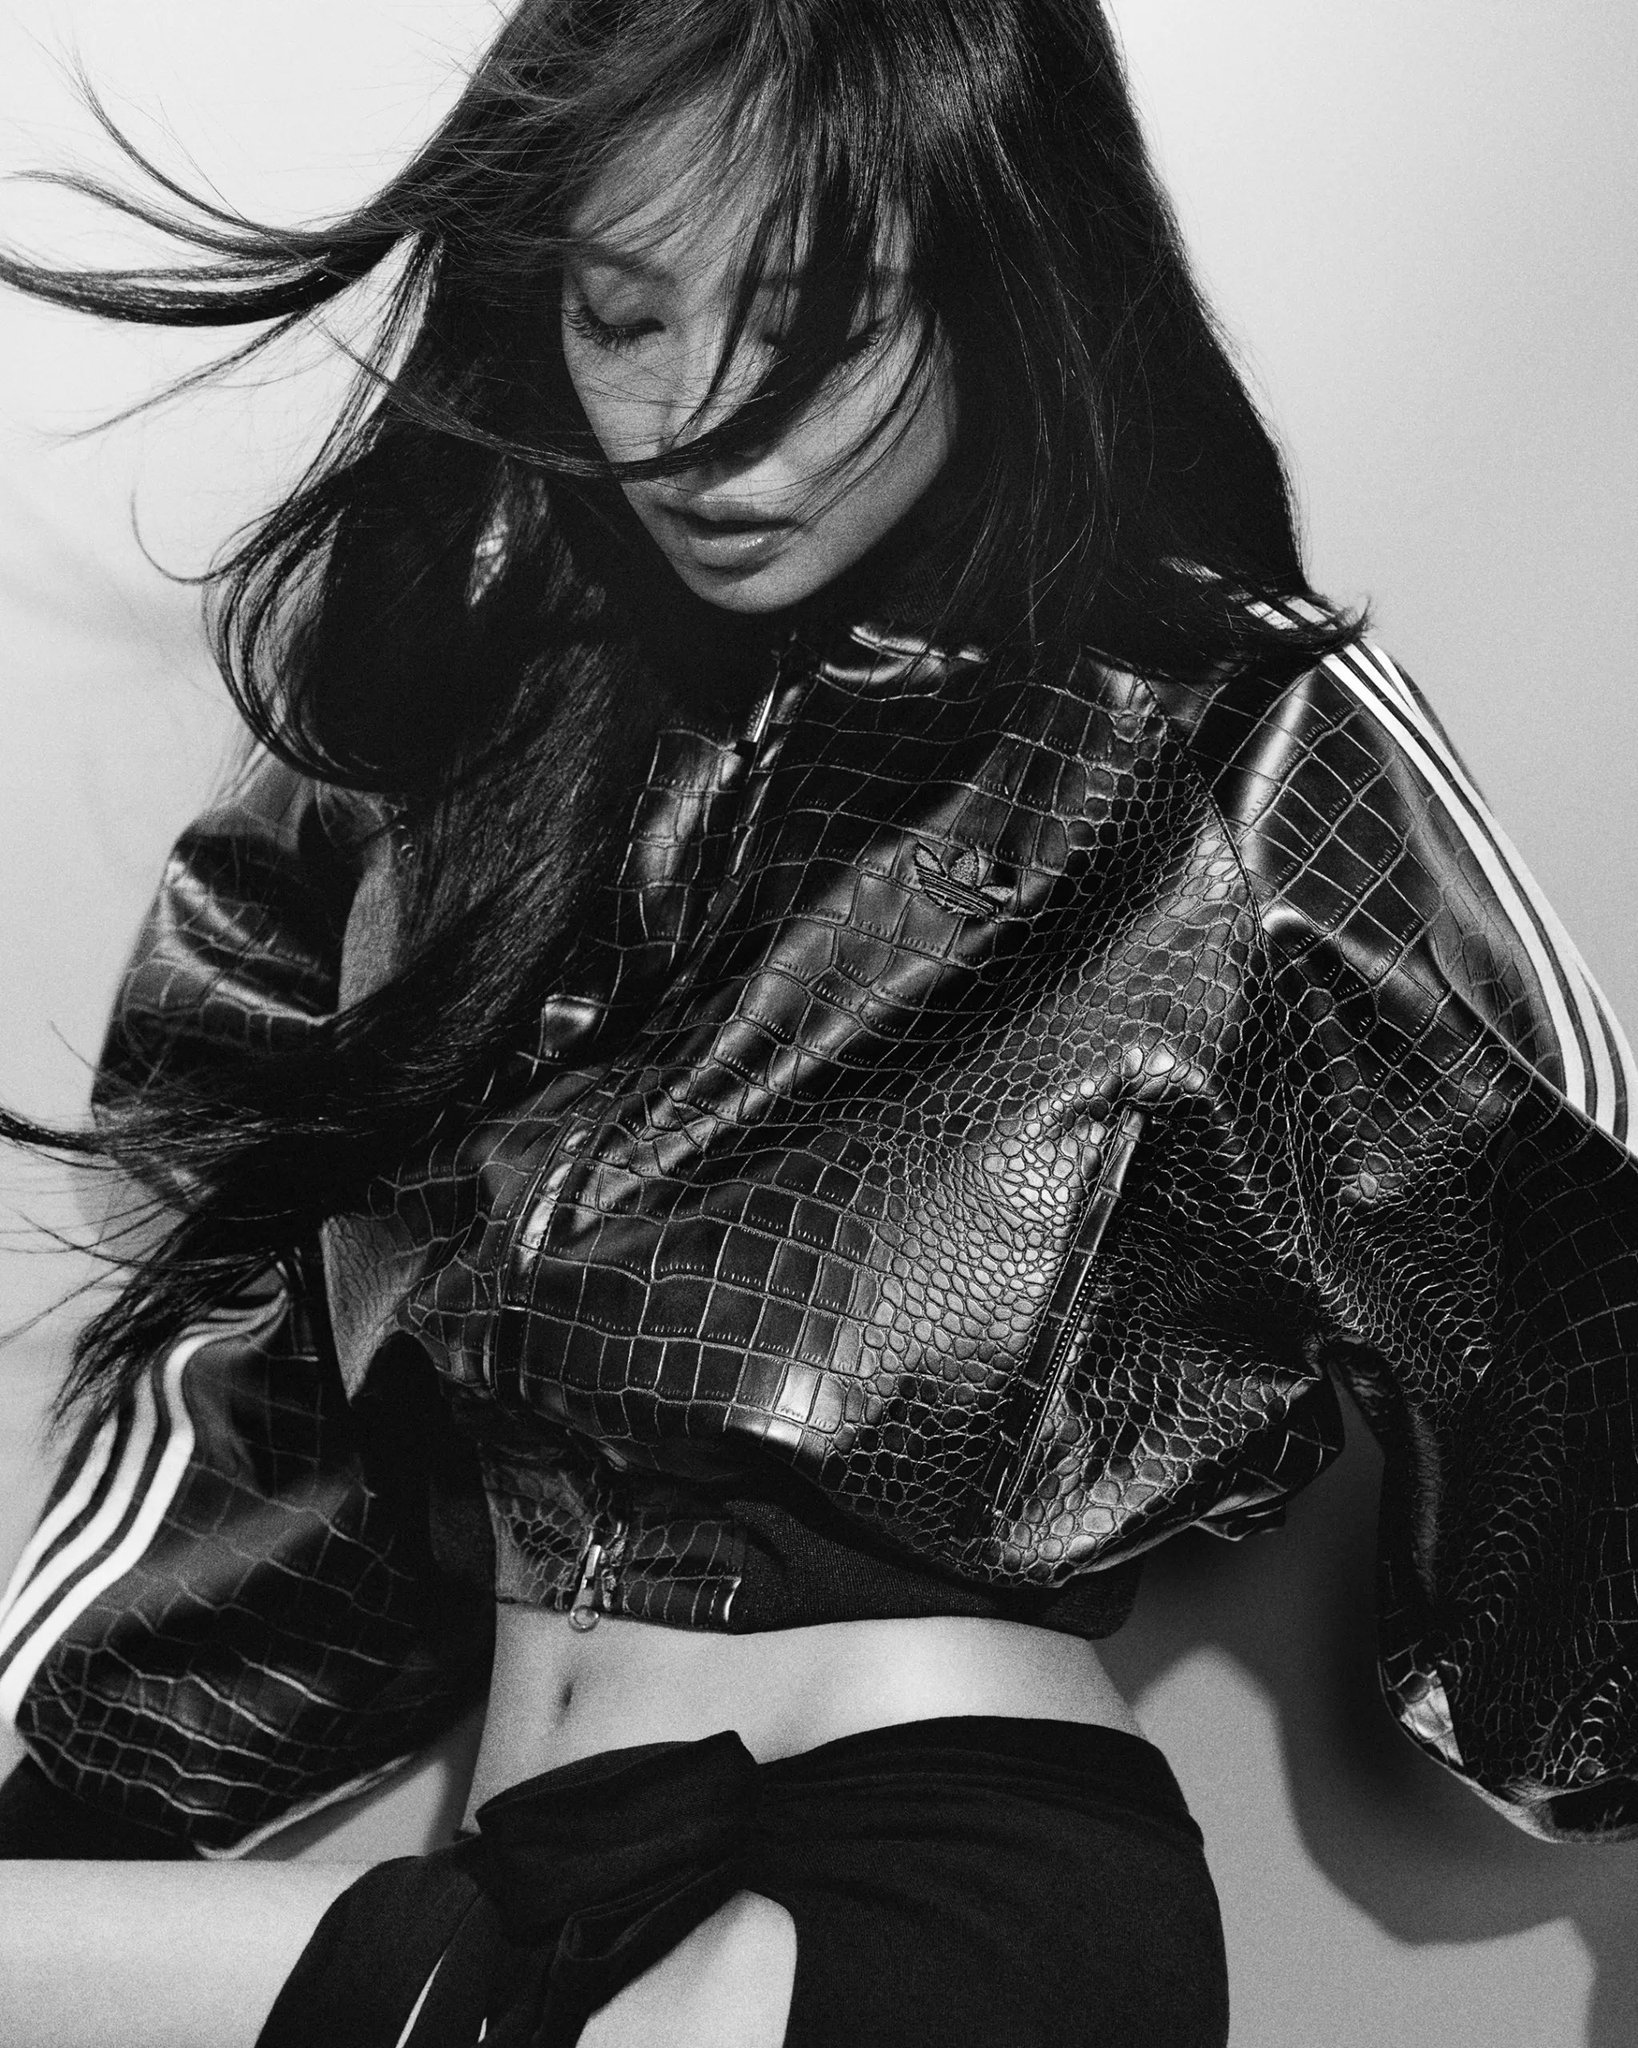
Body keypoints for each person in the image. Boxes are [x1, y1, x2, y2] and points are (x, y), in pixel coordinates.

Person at [1, 0, 1636, 2043]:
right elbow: (261, 1405)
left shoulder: (1230, 748)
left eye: (813, 324)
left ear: (1005, 275)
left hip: (941, 1900)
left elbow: (1580, 1293)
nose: (695, 425)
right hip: (530, 1898)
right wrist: (79, 1823)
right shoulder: (454, 751)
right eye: (619, 314)